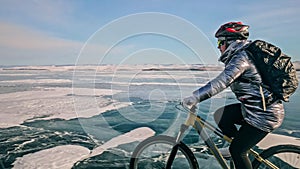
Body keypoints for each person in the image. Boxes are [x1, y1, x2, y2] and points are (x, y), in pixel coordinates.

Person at [183, 22, 285, 169]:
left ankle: (237, 151)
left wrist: (195, 97)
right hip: (252, 109)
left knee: (238, 151)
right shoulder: (240, 56)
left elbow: (221, 82)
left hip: (265, 115)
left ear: (229, 41)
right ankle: (236, 145)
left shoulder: (242, 59)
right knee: (221, 115)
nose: (218, 46)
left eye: (220, 42)